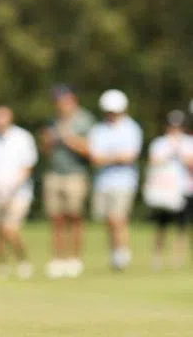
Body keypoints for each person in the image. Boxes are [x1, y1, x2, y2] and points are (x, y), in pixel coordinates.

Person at [0, 106, 37, 279]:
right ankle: (2, 266)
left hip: (19, 192)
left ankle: (23, 261)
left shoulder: (23, 138)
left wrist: (11, 187)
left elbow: (28, 166)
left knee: (11, 229)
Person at [41, 84, 95, 279]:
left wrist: (67, 137)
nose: (59, 104)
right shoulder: (52, 121)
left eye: (62, 99)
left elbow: (90, 150)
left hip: (76, 174)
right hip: (54, 174)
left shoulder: (85, 120)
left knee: (75, 217)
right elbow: (46, 150)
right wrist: (48, 140)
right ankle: (58, 259)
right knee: (57, 219)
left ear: (72, 99)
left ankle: (75, 259)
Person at [88, 89, 143, 272]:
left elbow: (130, 156)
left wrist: (108, 157)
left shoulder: (132, 128)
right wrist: (116, 157)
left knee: (118, 218)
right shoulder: (99, 129)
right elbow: (95, 158)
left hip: (124, 181)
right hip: (103, 182)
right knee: (108, 220)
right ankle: (115, 252)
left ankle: (122, 254)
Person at [144, 111, 193, 269]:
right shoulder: (160, 143)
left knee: (182, 226)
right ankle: (157, 258)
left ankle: (178, 259)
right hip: (163, 191)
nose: (175, 129)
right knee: (161, 225)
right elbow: (153, 162)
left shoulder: (189, 142)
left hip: (184, 189)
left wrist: (180, 152)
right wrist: (169, 152)